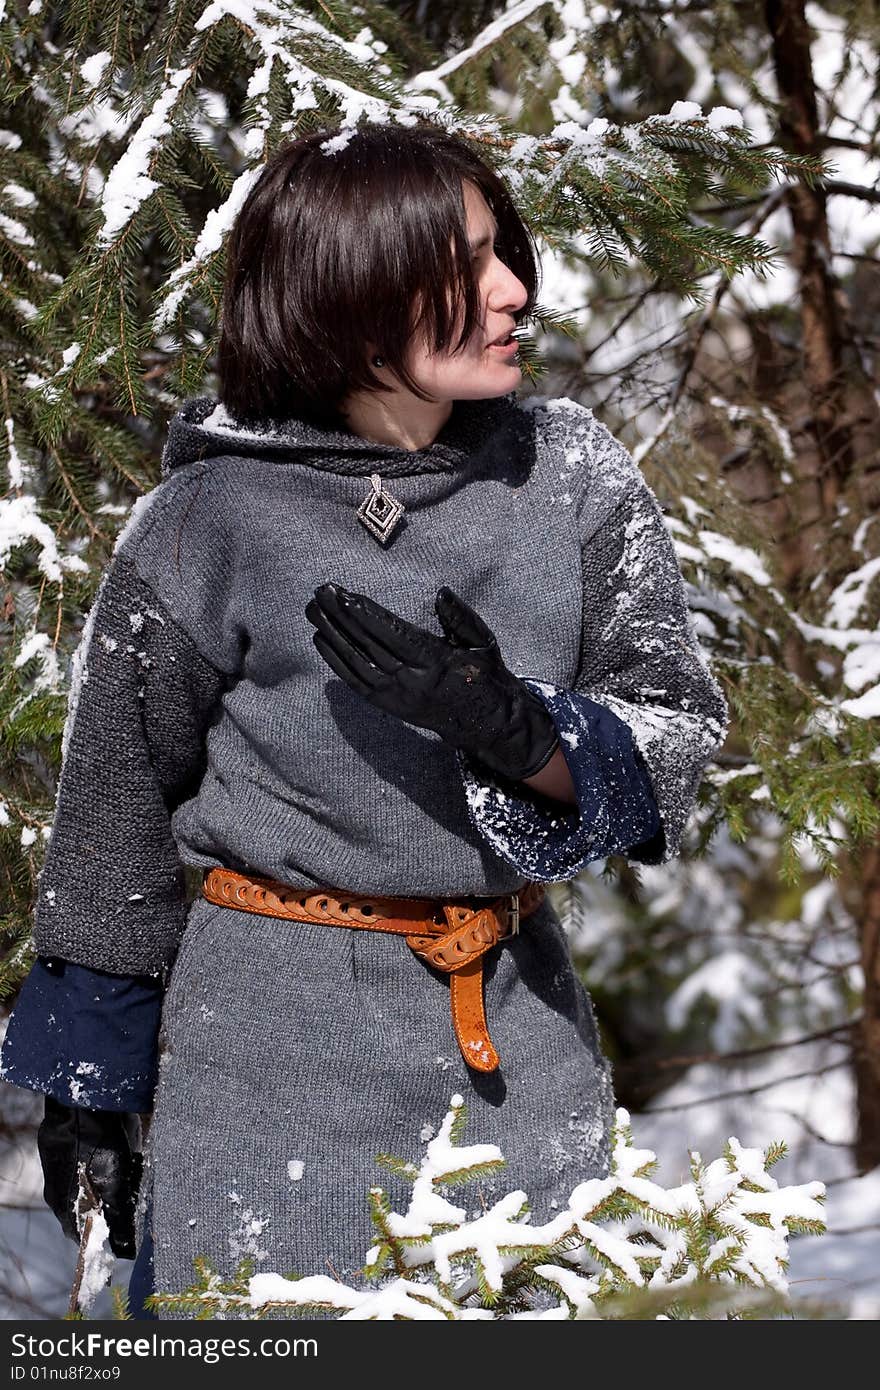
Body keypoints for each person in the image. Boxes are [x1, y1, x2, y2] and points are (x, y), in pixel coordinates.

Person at [0, 121, 729, 1319]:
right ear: (353, 289)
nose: (515, 291)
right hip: (263, 1065)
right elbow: (113, 817)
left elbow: (675, 739)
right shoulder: (201, 518)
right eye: (469, 265)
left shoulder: (573, 477)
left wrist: (523, 734)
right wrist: (88, 1083)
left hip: (517, 1045)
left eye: (507, 252)